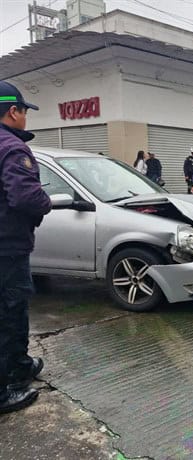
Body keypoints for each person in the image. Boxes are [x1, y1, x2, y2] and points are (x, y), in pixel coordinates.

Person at [0, 80, 51, 414]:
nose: (26, 119)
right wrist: (45, 200)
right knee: (10, 313)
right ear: (13, 111)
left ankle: (19, 365)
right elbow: (26, 197)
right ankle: (6, 389)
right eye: (24, 111)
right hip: (7, 248)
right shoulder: (13, 148)